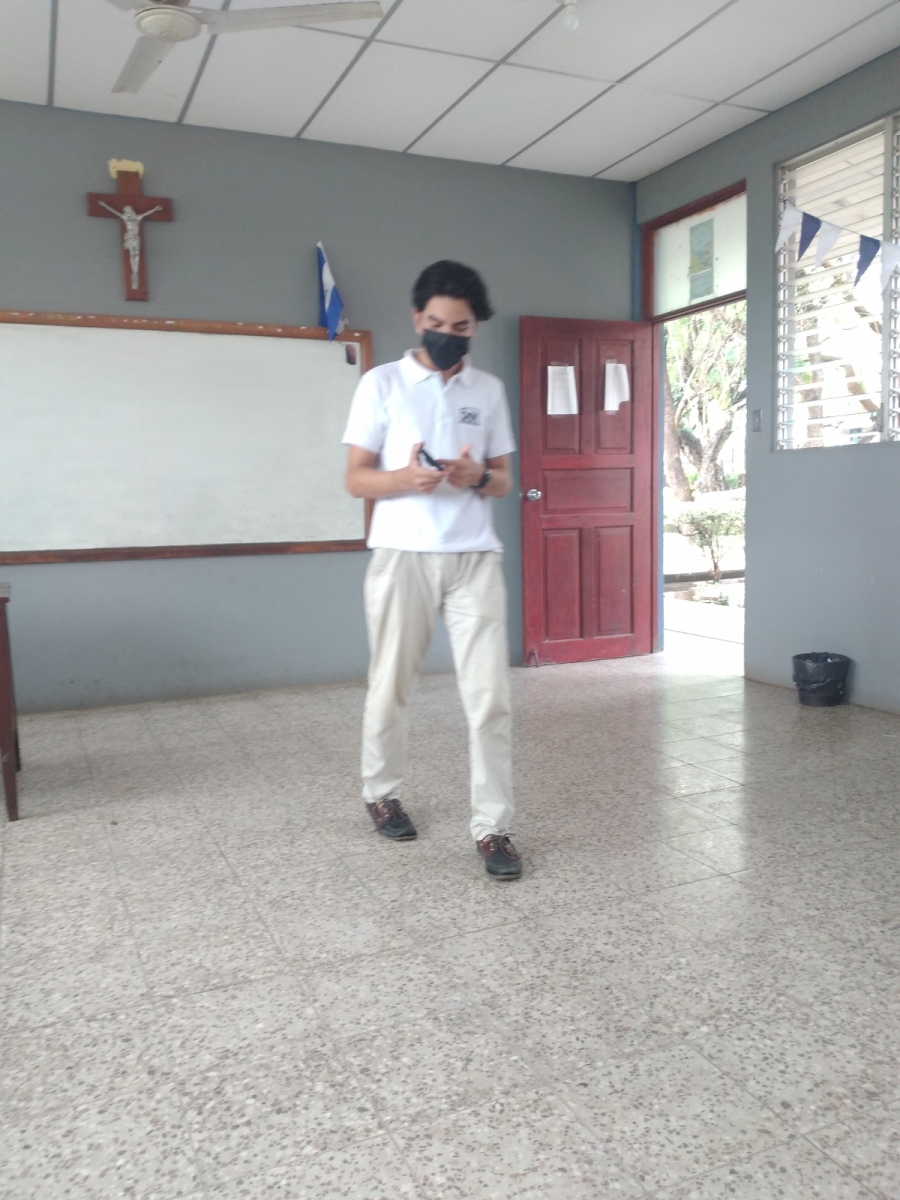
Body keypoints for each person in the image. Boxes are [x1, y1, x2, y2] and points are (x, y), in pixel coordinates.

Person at [342, 260, 521, 880]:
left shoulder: (488, 390)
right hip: (403, 555)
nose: (447, 335)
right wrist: (402, 479)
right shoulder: (382, 384)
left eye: (461, 327)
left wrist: (477, 475)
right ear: (418, 318)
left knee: (490, 699)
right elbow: (354, 478)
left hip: (475, 559)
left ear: (475, 327)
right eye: (437, 323)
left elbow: (504, 481)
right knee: (391, 683)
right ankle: (381, 793)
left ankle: (493, 828)